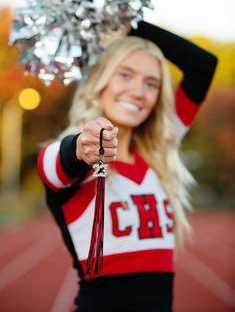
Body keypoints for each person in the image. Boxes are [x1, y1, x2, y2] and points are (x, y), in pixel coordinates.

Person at [37, 21, 218, 312]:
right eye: (125, 75)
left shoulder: (160, 148)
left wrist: (130, 22)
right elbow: (55, 162)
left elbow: (204, 66)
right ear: (101, 80)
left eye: (151, 83)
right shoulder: (69, 158)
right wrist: (83, 146)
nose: (138, 92)